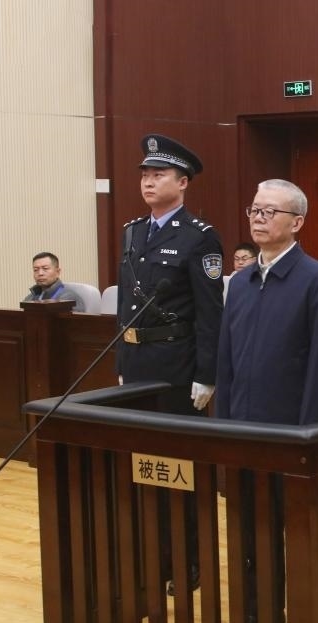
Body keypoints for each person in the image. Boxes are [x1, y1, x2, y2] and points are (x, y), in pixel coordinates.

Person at [216, 178, 318, 623]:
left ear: (297, 222)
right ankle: (258, 608)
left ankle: (304, 618)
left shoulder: (317, 280)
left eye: (270, 212)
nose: (258, 218)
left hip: (290, 430)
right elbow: (226, 362)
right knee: (249, 526)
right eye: (254, 210)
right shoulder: (240, 282)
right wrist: (223, 424)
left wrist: (307, 433)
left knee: (294, 530)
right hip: (242, 427)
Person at [116, 133, 224, 595]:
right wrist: (123, 359)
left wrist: (206, 374)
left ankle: (189, 558)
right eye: (144, 174)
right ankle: (153, 557)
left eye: (158, 174)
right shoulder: (132, 231)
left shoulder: (199, 237)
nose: (148, 181)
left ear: (182, 183)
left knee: (180, 468)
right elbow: (125, 305)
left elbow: (210, 312)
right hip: (137, 363)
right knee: (143, 465)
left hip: (177, 367)